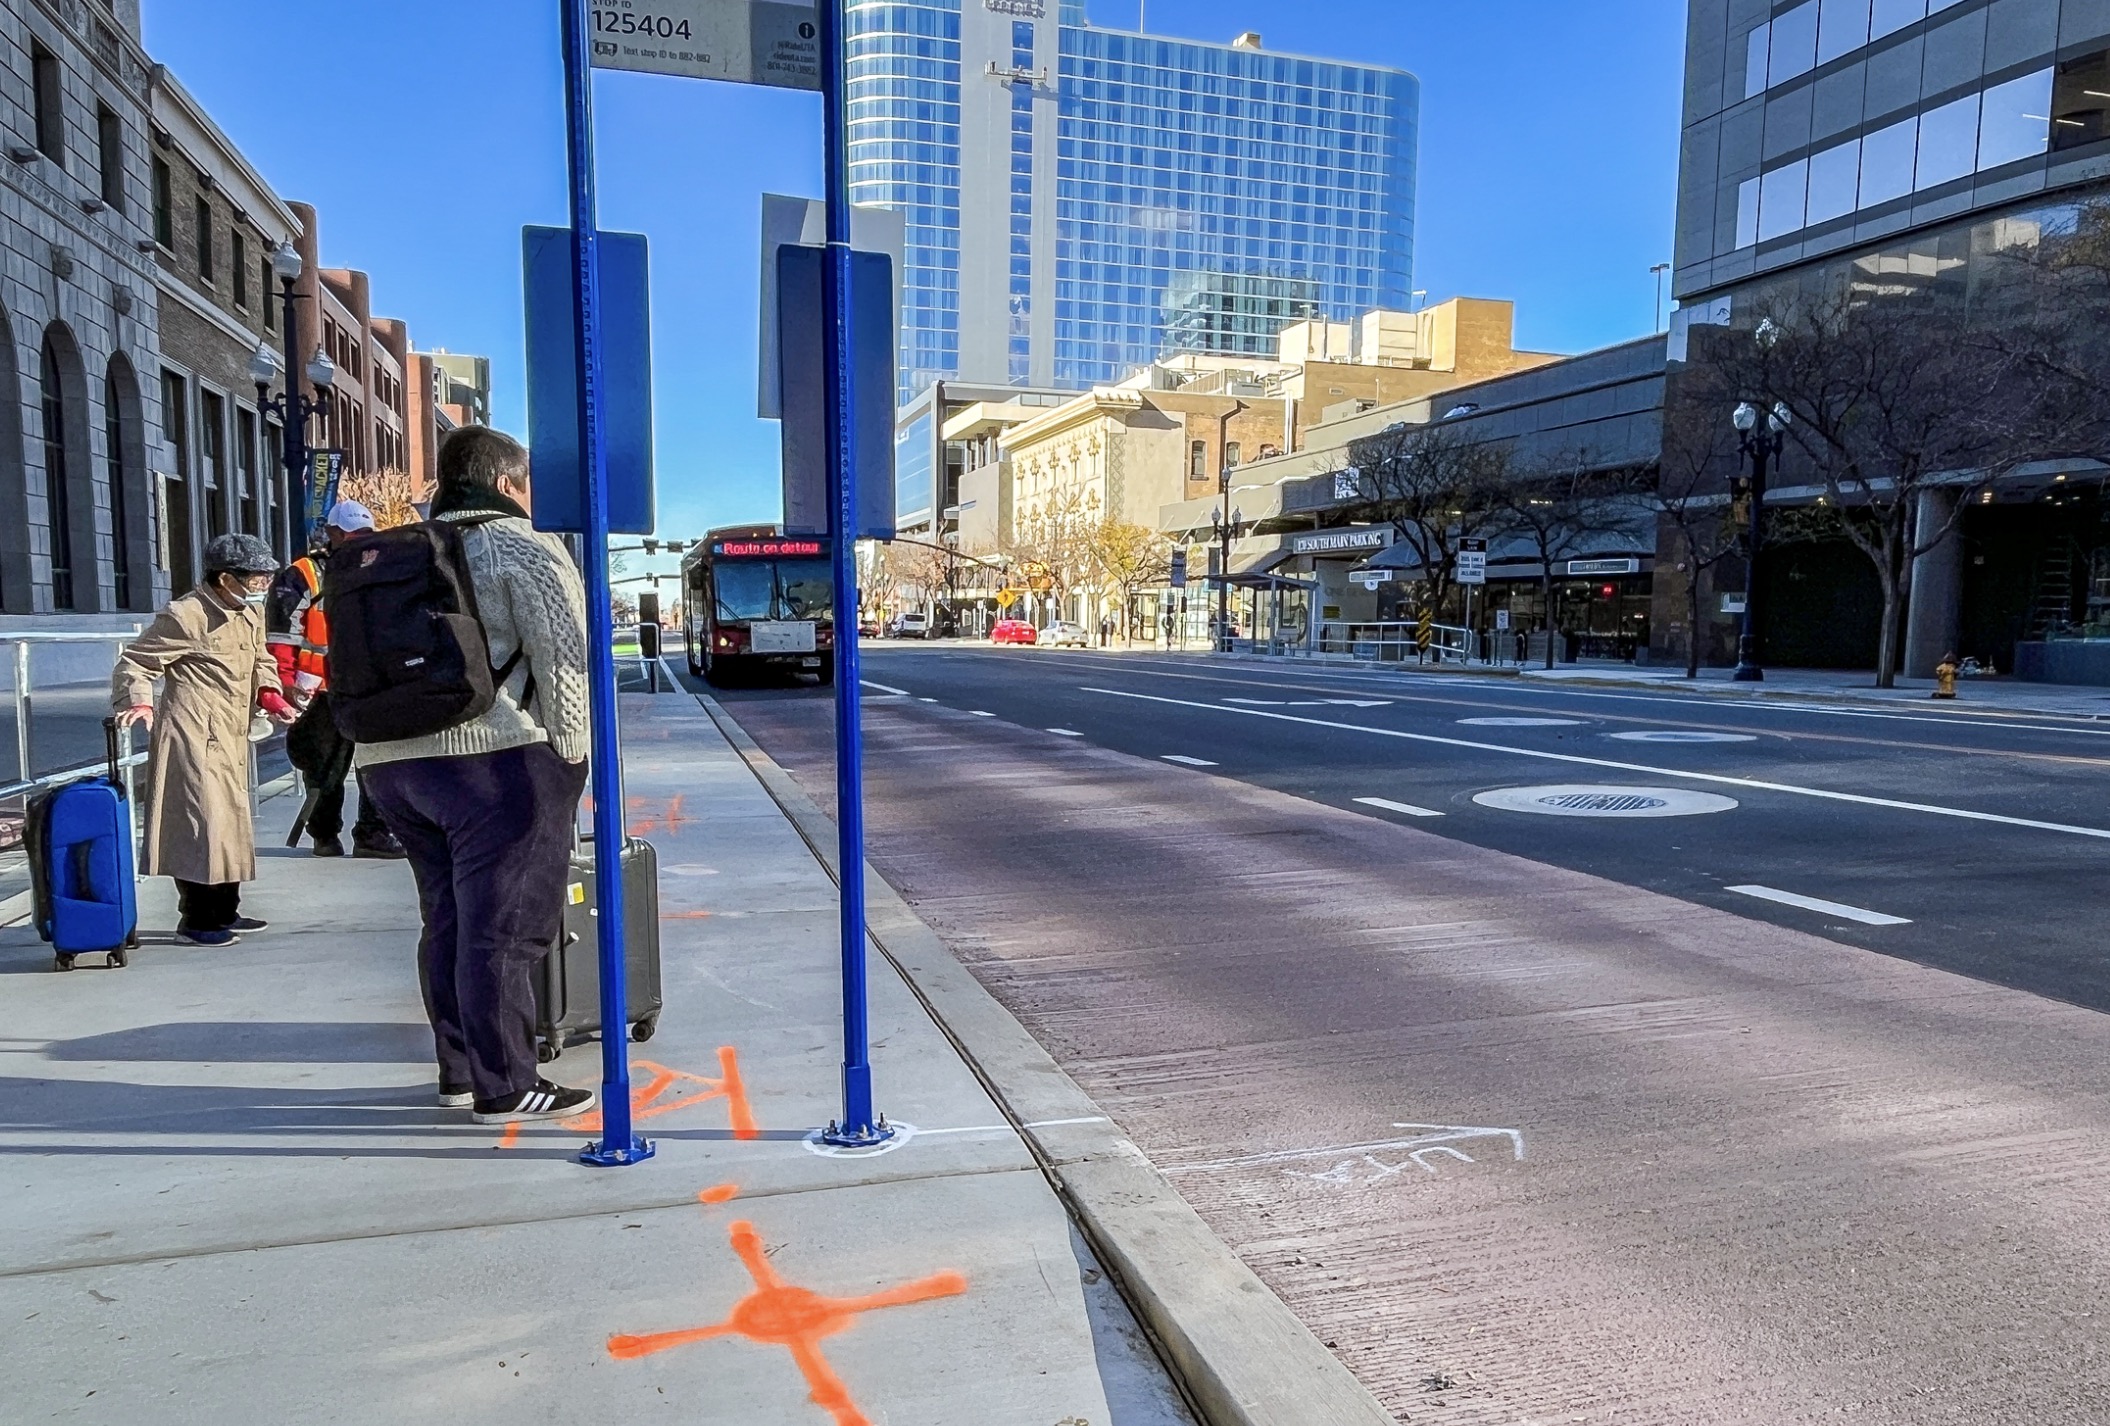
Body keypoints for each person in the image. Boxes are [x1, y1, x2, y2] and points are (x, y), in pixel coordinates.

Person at [357, 426, 596, 1125]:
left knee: (448, 921)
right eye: (526, 485)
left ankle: (459, 1071)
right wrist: (572, 759)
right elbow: (563, 661)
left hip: (391, 765)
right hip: (494, 763)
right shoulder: (519, 545)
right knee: (506, 930)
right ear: (505, 483)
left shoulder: (390, 553)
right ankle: (507, 1084)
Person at [112, 534, 299, 946]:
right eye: (255, 577)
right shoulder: (188, 614)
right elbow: (136, 662)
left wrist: (270, 692)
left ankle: (226, 911)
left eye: (266, 576)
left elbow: (261, 657)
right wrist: (140, 703)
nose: (263, 585)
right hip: (193, 731)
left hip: (230, 733)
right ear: (225, 578)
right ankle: (196, 919)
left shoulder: (248, 613)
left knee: (230, 824)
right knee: (200, 826)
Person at [266, 498, 406, 860]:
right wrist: (284, 680)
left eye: (362, 534)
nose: (356, 540)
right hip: (320, 689)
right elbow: (282, 632)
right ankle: (325, 835)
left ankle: (373, 835)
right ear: (331, 534)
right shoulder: (304, 574)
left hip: (370, 686)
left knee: (378, 761)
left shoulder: (382, 568)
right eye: (349, 534)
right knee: (324, 768)